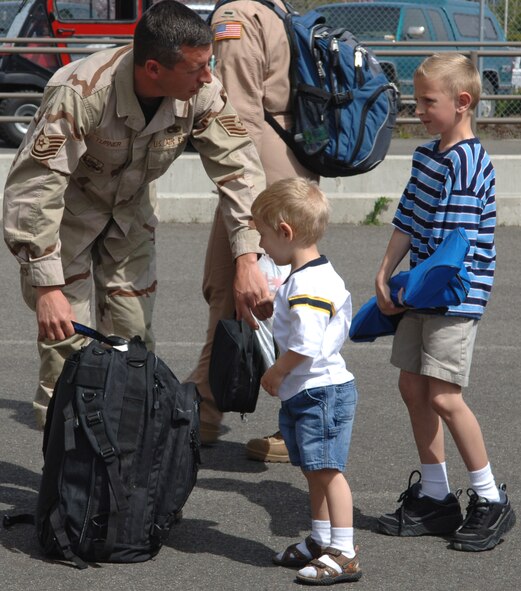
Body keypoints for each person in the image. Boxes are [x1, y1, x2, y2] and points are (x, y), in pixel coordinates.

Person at [2, 0, 268, 429]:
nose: (208, 77)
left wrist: (247, 257)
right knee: (66, 346)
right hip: (64, 218)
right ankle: (68, 465)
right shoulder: (81, 92)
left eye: (209, 64)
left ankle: (125, 454)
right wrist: (46, 285)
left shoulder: (202, 90)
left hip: (129, 213)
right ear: (153, 69)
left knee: (133, 338)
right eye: (196, 68)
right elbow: (33, 190)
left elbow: (239, 167)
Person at [374, 53, 515, 551]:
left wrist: (408, 289)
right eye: (416, 101)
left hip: (454, 296)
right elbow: (408, 217)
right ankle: (435, 498)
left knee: (443, 395)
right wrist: (386, 273)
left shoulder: (469, 161)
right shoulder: (428, 155)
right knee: (412, 386)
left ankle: (490, 499)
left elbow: (455, 249)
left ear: (462, 102)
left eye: (426, 101)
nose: (418, 110)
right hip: (422, 289)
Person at [190, 0, 318, 461]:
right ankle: (203, 406)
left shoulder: (239, 14)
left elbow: (236, 112)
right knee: (252, 290)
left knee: (241, 288)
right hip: (287, 161)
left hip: (257, 168)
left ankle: (300, 417)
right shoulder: (276, 7)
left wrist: (234, 182)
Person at [251, 178, 362, 585]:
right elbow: (298, 324)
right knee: (314, 471)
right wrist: (272, 310)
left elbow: (306, 343)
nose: (262, 245)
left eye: (263, 235)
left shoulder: (308, 285)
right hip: (311, 391)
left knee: (328, 472)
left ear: (285, 231)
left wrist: (277, 370)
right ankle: (320, 540)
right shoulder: (305, 277)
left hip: (321, 392)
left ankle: (345, 551)